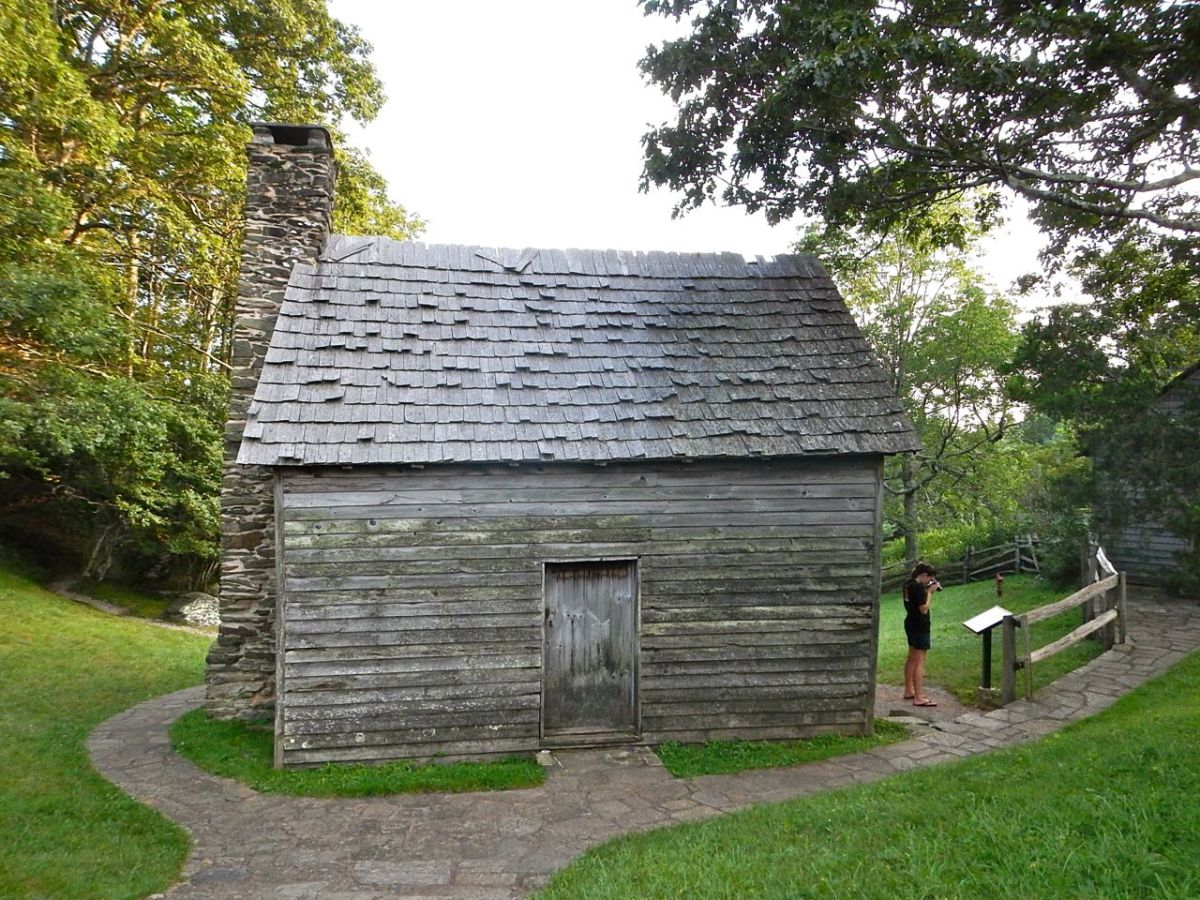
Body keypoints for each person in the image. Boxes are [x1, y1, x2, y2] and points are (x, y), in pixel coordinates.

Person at [903, 562, 940, 707]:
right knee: (920, 661)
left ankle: (909, 690)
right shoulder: (918, 587)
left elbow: (914, 599)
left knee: (911, 658)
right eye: (929, 578)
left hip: (910, 622)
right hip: (920, 625)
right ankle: (919, 697)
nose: (929, 581)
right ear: (924, 575)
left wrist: (925, 589)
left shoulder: (908, 584)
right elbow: (923, 608)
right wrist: (930, 592)